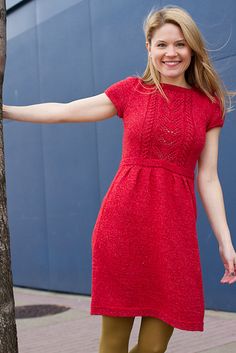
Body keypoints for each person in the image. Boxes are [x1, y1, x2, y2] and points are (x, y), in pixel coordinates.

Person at [3, 5, 236, 353]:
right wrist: (6, 111)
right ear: (149, 47)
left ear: (192, 48)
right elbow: (65, 112)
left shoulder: (209, 106)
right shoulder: (131, 92)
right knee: (112, 344)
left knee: (154, 347)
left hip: (174, 234)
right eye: (162, 44)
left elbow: (208, 178)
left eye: (180, 44)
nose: (171, 53)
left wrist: (225, 241)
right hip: (122, 225)